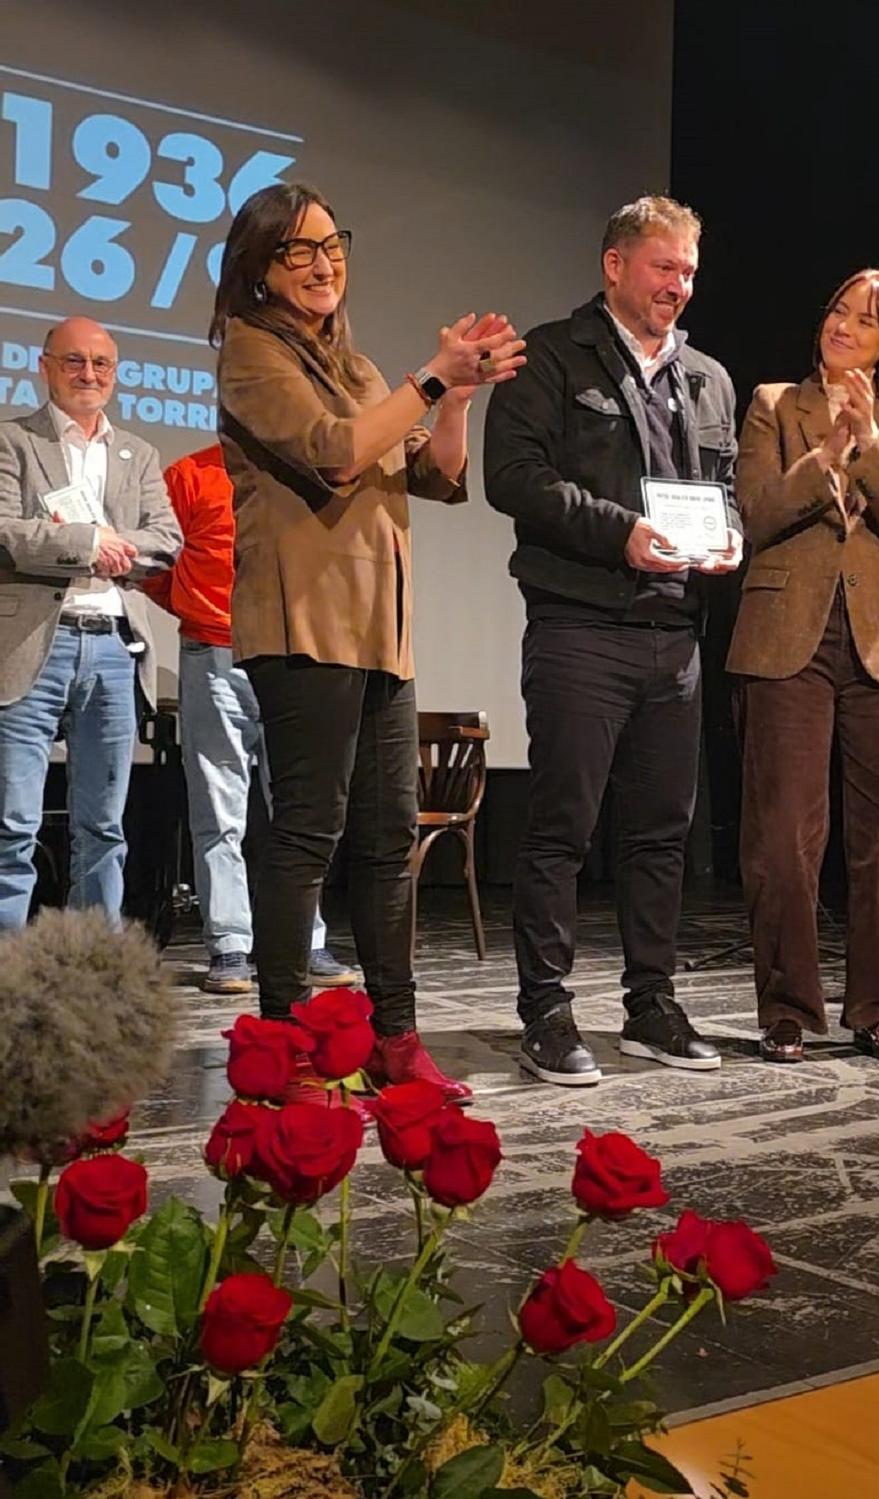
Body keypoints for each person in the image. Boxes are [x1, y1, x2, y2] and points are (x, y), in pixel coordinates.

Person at [211, 182, 524, 1098]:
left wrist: (455, 398)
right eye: (299, 250)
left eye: (332, 245)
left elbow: (435, 472)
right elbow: (339, 452)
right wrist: (428, 378)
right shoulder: (251, 352)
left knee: (389, 837)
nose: (324, 264)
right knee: (307, 832)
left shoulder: (353, 365)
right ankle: (280, 1043)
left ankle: (395, 1036)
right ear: (260, 270)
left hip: (382, 629)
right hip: (305, 622)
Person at [484, 195, 741, 1087]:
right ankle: (546, 1012)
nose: (680, 286)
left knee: (662, 834)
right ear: (615, 264)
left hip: (676, 631)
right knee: (561, 828)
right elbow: (512, 477)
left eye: (690, 272)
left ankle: (651, 1005)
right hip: (580, 624)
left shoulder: (708, 377)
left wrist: (729, 537)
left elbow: (724, 491)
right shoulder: (552, 355)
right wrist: (619, 531)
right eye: (665, 267)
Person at [728, 268, 879, 1065]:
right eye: (838, 311)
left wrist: (870, 438)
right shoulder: (774, 403)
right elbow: (757, 512)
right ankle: (787, 1008)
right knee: (783, 832)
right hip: (790, 635)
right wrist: (825, 451)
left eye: (865, 320)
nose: (843, 326)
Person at [143, 444, 359, 995]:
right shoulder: (189, 474)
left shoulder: (305, 470)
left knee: (299, 811)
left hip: (293, 651)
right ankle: (230, 944)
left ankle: (304, 939)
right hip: (213, 651)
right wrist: (199, 611)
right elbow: (158, 568)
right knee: (219, 809)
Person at [0, 318, 181, 930]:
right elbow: (8, 530)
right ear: (44, 366)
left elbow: (166, 539)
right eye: (74, 361)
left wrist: (112, 547)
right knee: (12, 825)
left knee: (103, 827)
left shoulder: (138, 453)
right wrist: (88, 545)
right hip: (32, 646)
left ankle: (94, 964)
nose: (88, 374)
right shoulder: (12, 441)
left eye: (101, 363)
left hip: (113, 649)